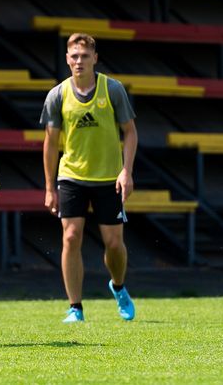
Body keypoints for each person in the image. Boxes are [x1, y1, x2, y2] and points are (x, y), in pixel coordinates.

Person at [40, 33, 138, 323]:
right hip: (72, 176)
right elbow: (50, 143)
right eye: (74, 56)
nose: (79, 61)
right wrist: (49, 187)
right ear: (67, 59)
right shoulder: (57, 95)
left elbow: (130, 132)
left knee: (114, 244)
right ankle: (75, 307)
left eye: (85, 55)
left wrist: (126, 171)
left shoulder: (113, 89)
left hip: (109, 178)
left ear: (95, 58)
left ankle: (118, 286)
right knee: (70, 237)